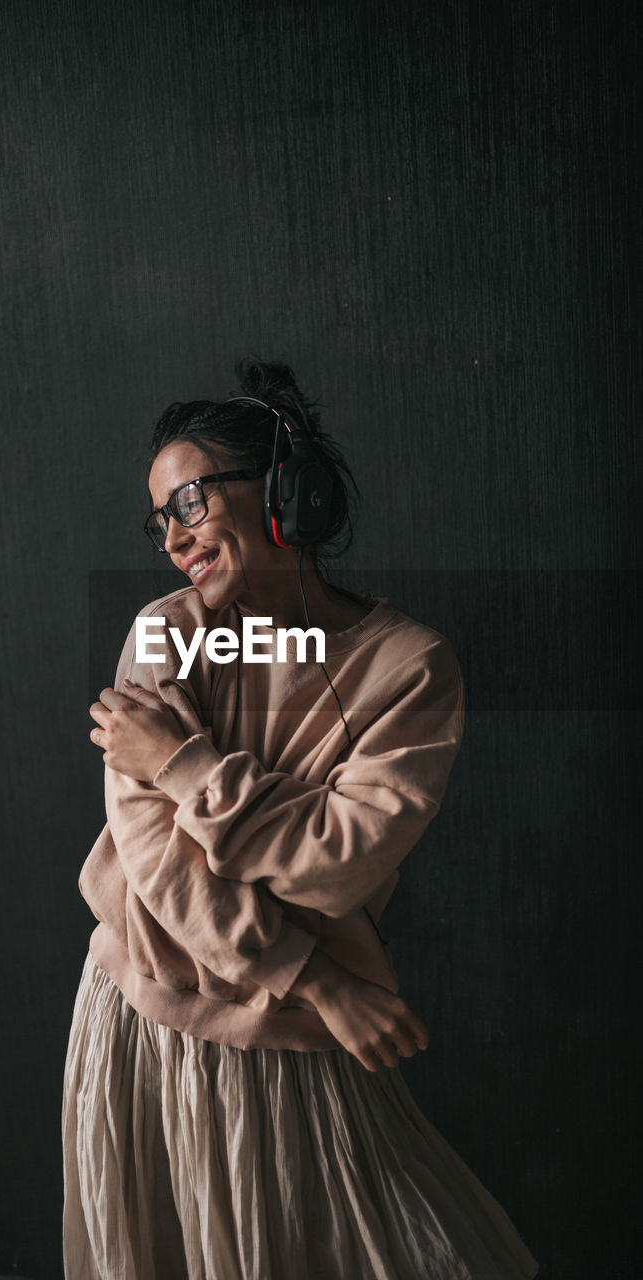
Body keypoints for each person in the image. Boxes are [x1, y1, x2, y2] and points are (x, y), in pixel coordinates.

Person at [62, 359, 539, 1279]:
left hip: (285, 1043)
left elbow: (339, 860)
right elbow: (156, 863)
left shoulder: (408, 665)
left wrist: (180, 762)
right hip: (143, 1015)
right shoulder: (165, 632)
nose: (172, 540)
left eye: (190, 502)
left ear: (288, 491)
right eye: (159, 518)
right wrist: (316, 981)